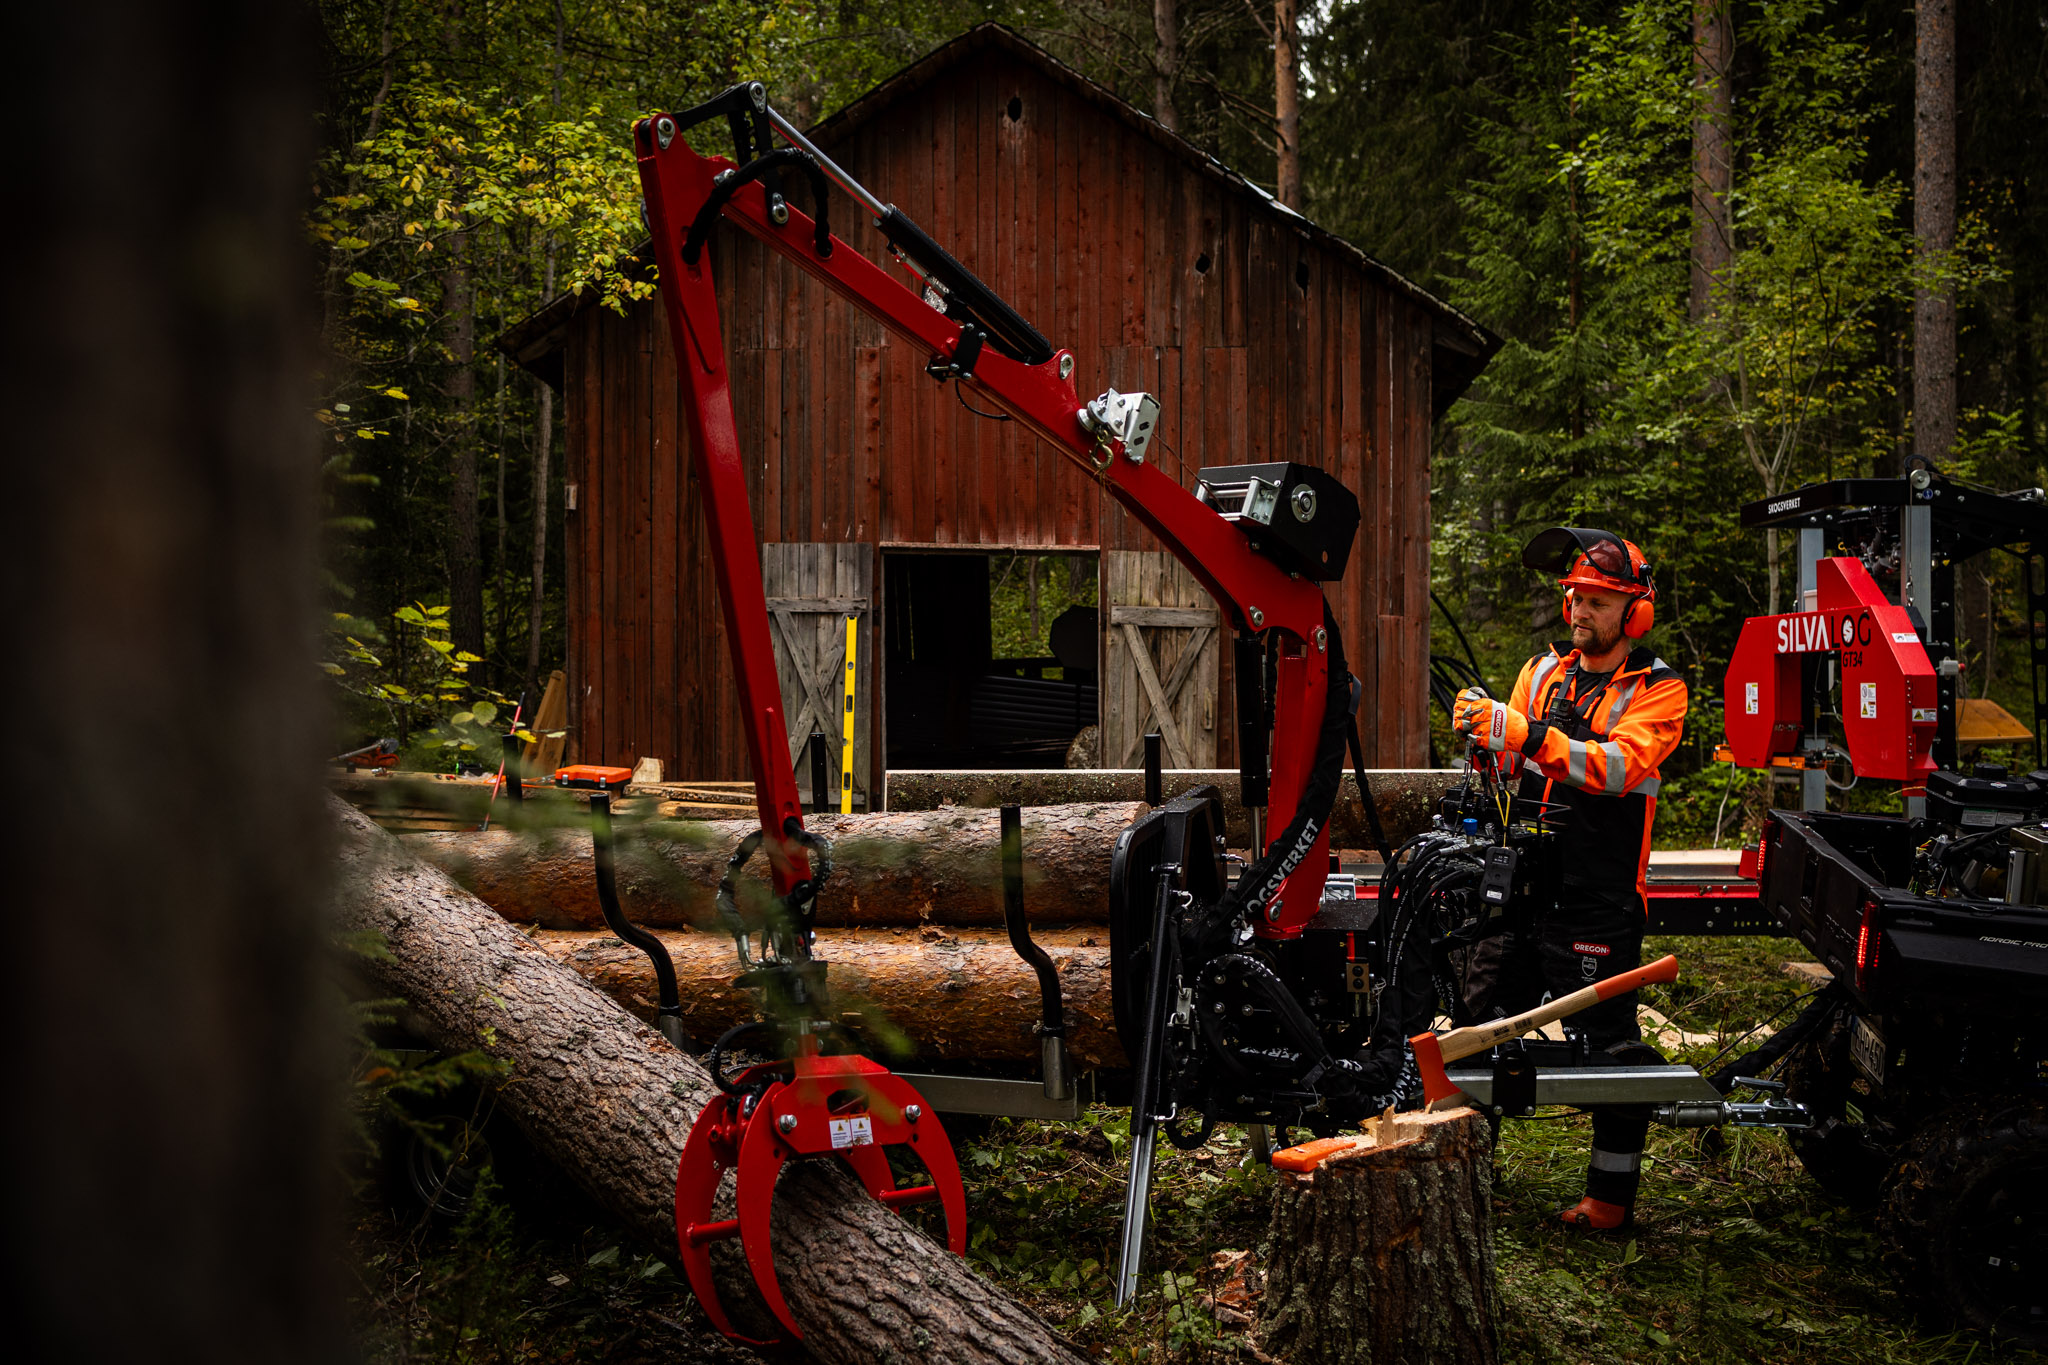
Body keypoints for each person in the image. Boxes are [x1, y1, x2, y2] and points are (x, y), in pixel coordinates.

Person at [1450, 527, 1688, 1230]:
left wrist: (1522, 733)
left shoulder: (1658, 687)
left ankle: (1608, 1204)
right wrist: (1488, 738)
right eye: (1575, 597)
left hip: (1599, 898)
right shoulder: (1543, 672)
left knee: (1610, 1048)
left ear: (1633, 611)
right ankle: (1462, 1177)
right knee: (1475, 1028)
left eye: (1598, 600)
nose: (1580, 611)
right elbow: (1513, 762)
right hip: (1525, 885)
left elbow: (1618, 769)